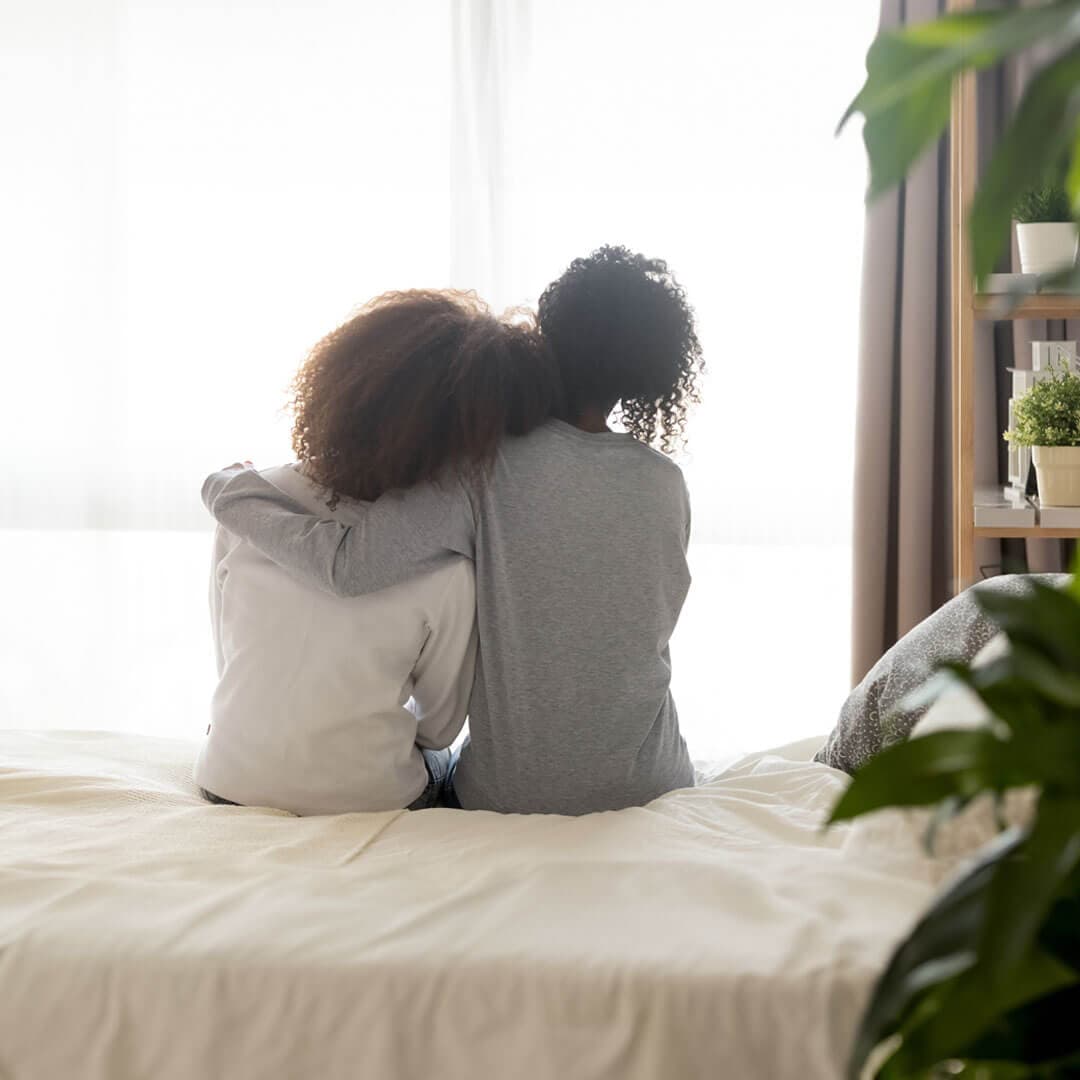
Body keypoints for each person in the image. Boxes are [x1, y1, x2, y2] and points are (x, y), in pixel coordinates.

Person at [202, 246, 705, 815]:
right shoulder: (666, 484)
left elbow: (349, 566)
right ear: (652, 372)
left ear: (549, 333)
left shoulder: (484, 467)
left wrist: (228, 492)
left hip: (511, 795)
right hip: (657, 783)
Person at [197, 290, 557, 815]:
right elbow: (439, 728)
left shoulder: (247, 506)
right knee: (446, 766)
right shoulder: (449, 567)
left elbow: (228, 655)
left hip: (226, 777)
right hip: (369, 797)